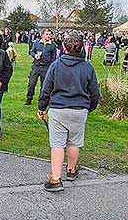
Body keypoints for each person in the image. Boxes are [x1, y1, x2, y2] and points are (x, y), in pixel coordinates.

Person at [38, 32, 100, 192]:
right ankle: (71, 170)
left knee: (57, 144)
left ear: (64, 47)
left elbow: (46, 90)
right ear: (81, 48)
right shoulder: (88, 67)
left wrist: (41, 107)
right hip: (79, 110)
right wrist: (88, 108)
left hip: (58, 109)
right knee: (74, 142)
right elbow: (95, 93)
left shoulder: (56, 65)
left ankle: (56, 179)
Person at [25, 29, 56, 105]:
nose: (48, 36)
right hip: (36, 66)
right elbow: (31, 51)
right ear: (42, 35)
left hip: (46, 67)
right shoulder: (37, 43)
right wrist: (35, 55)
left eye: (49, 34)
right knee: (32, 84)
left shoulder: (53, 45)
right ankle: (29, 98)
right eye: (47, 34)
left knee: (44, 85)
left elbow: (53, 58)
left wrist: (51, 68)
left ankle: (42, 100)